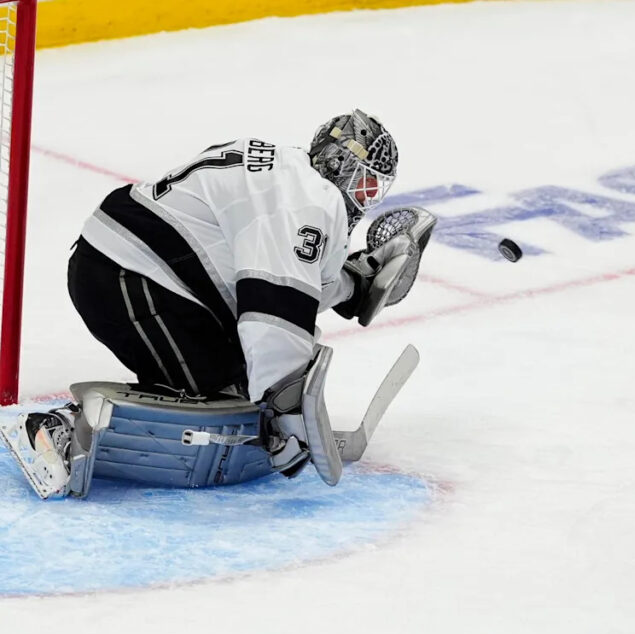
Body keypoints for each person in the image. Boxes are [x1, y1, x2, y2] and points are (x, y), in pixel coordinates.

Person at [8, 109, 434, 500]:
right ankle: (55, 429)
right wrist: (282, 410)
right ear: (338, 163)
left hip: (136, 270)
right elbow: (274, 311)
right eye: (363, 181)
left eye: (374, 189)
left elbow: (288, 282)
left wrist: (353, 284)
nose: (363, 196)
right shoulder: (307, 197)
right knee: (224, 401)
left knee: (242, 391)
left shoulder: (292, 179)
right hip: (129, 275)